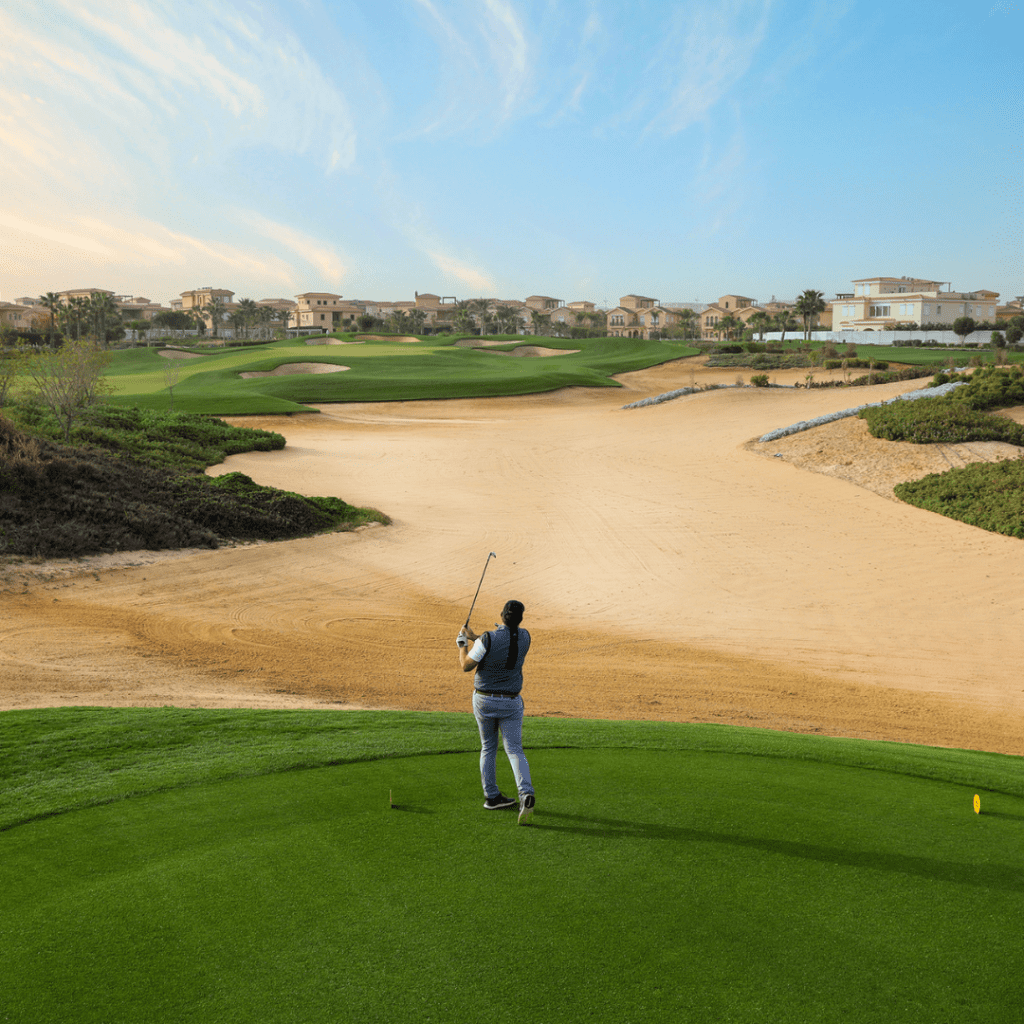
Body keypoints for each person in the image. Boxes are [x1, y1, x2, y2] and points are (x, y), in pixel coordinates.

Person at [457, 599, 536, 825]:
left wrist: (463, 643)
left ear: (501, 615)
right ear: (520, 619)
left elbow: (466, 665)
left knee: (488, 747)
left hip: (484, 701)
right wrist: (475, 637)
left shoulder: (488, 639)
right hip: (511, 703)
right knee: (515, 750)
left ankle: (491, 797)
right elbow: (504, 643)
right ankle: (526, 793)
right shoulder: (525, 637)